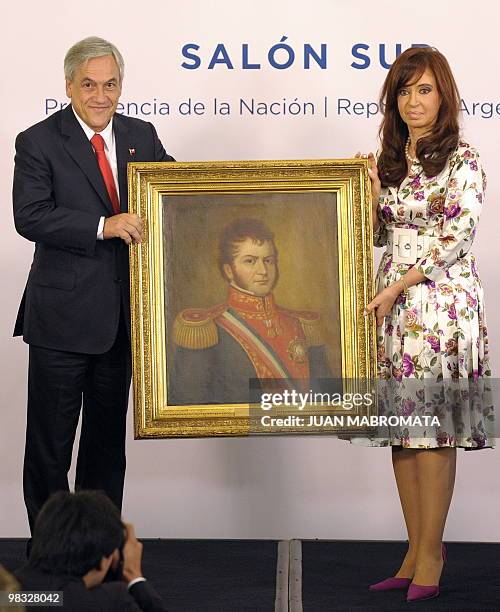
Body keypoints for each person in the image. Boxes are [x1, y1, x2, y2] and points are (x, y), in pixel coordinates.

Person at [13, 36, 174, 533]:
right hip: (60, 324)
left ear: (121, 86)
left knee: (105, 450)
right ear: (69, 87)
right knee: (50, 450)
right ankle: (48, 557)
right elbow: (31, 216)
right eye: (89, 85)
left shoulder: (141, 135)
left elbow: (177, 193)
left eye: (110, 84)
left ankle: (99, 556)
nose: (100, 95)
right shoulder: (37, 141)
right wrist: (103, 225)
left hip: (121, 323)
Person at [357, 47, 493, 602]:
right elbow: (375, 238)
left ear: (445, 95)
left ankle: (434, 553)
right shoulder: (387, 158)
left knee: (434, 433)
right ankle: (413, 550)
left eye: (425, 90)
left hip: (438, 305)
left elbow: (456, 237)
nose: (414, 101)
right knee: (403, 431)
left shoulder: (464, 158)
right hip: (392, 307)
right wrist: (366, 196)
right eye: (405, 90)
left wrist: (397, 285)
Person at [170, 218, 332, 404]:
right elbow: (189, 407)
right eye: (250, 261)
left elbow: (327, 397)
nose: (263, 270)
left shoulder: (301, 324)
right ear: (229, 270)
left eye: (268, 260)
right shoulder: (205, 329)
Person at [15, 490, 168, 611]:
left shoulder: (7, 592)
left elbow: (47, 599)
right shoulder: (110, 600)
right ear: (104, 560)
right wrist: (134, 576)